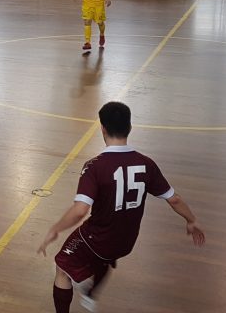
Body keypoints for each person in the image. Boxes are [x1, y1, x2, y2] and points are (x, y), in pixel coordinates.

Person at [37, 101, 205, 313]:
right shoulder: (147, 164)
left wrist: (55, 229)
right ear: (130, 128)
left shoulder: (95, 166)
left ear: (102, 129)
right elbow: (174, 199)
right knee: (104, 257)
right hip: (126, 241)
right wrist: (191, 220)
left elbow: (80, 210)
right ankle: (90, 295)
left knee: (62, 267)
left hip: (98, 239)